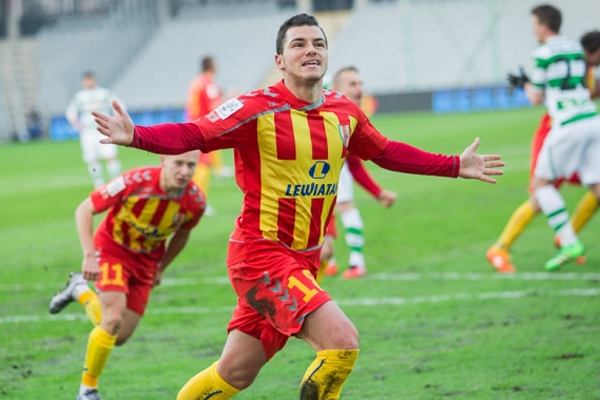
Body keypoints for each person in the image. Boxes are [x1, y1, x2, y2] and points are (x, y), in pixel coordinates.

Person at [93, 13, 503, 399]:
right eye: (299, 44)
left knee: (235, 373)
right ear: (280, 60)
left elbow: (385, 151)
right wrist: (138, 136)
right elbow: (195, 133)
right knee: (342, 344)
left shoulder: (343, 111)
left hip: (303, 261)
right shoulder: (256, 109)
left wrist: (453, 166)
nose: (311, 50)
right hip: (260, 255)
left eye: (319, 43)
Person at [48, 151, 206, 400]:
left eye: (191, 165)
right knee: (111, 319)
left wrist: (161, 267)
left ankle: (78, 289)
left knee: (119, 336)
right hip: (113, 249)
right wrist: (89, 255)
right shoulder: (135, 181)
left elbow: (183, 234)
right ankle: (87, 390)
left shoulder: (195, 202)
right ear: (163, 162)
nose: (184, 171)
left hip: (147, 262)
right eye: (178, 163)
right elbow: (85, 209)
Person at [487, 10, 600, 272]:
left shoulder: (543, 53)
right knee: (595, 187)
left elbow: (536, 98)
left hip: (562, 128)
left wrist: (526, 84)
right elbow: (586, 90)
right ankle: (501, 248)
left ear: (543, 25)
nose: (532, 30)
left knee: (540, 189)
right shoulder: (576, 48)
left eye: (534, 24)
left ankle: (566, 240)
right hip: (591, 122)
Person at [321, 66, 397, 279]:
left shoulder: (351, 117)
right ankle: (333, 261)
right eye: (352, 84)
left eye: (360, 84)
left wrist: (377, 192)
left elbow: (353, 162)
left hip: (328, 169)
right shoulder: (325, 112)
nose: (360, 89)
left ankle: (354, 262)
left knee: (340, 208)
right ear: (335, 89)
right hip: (310, 171)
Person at [186, 56, 233, 207]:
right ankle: (197, 203)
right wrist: (230, 98)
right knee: (202, 165)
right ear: (211, 66)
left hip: (194, 124)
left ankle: (196, 201)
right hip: (203, 127)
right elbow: (214, 105)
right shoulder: (208, 83)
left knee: (203, 162)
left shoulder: (197, 81)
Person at [66, 71, 124, 189]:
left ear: (94, 80)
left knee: (110, 156)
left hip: (105, 131)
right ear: (83, 82)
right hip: (88, 133)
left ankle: (115, 183)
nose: (88, 82)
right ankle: (99, 185)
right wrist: (78, 126)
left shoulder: (104, 93)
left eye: (90, 79)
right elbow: (70, 113)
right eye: (86, 80)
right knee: (92, 159)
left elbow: (119, 106)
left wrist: (115, 121)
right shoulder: (79, 96)